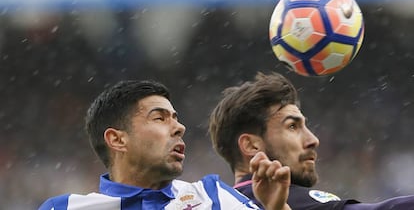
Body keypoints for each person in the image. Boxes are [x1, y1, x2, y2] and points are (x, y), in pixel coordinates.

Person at [39, 79, 292, 210]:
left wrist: (278, 208)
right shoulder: (64, 208)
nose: (179, 127)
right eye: (159, 118)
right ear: (117, 139)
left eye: (176, 118)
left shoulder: (212, 197)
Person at [208, 72, 414, 210]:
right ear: (251, 145)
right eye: (292, 126)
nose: (313, 140)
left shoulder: (219, 203)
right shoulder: (289, 200)